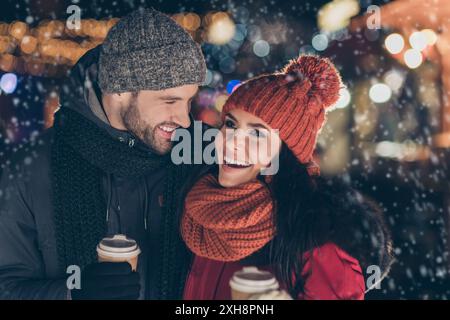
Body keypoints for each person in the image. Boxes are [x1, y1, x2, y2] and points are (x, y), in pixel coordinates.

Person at [0, 8, 206, 300]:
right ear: (119, 90)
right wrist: (71, 294)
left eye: (188, 101)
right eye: (169, 100)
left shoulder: (197, 156)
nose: (185, 120)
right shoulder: (29, 169)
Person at [181, 55, 394, 300]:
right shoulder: (198, 208)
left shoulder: (316, 234)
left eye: (258, 135)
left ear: (286, 154)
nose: (233, 143)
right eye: (231, 124)